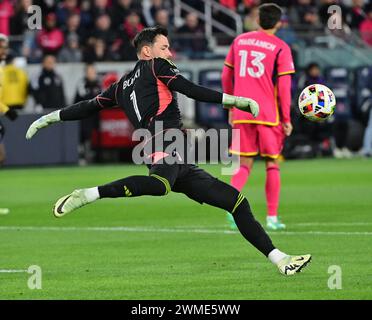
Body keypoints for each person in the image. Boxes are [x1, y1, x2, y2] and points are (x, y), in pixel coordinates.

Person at [26, 26, 311, 276]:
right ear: (147, 51)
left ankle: (280, 259)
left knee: (237, 202)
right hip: (164, 142)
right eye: (165, 47)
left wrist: (49, 118)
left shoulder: (120, 86)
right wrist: (236, 100)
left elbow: (87, 106)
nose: (170, 53)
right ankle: (89, 194)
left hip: (177, 155)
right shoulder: (156, 66)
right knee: (160, 185)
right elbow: (190, 89)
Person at [222, 3, 295, 230]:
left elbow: (226, 75)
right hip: (267, 114)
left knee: (244, 164)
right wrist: (286, 119)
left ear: (258, 20)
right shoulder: (281, 47)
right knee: (272, 163)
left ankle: (232, 212)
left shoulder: (239, 41)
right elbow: (284, 88)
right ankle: (272, 218)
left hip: (242, 111)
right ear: (279, 23)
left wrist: (231, 107)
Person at [0, 33, 17, 215]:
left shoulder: (2, 67)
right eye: (1, 47)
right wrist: (6, 110)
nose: (4, 50)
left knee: (1, 156)